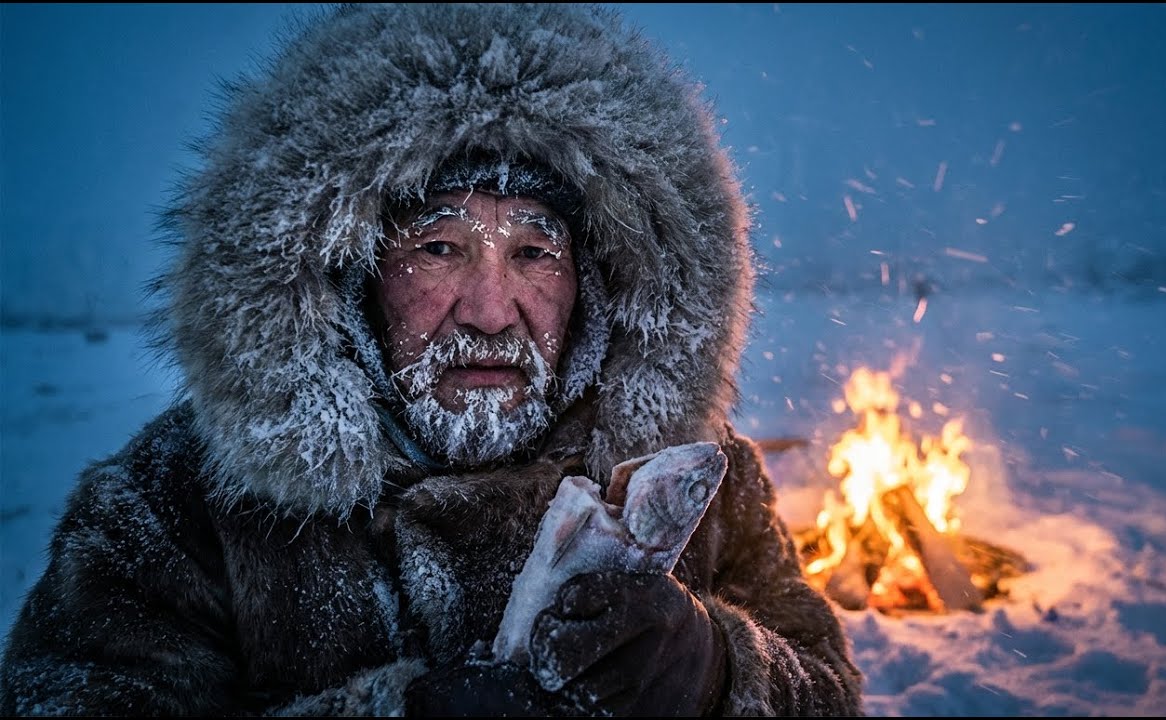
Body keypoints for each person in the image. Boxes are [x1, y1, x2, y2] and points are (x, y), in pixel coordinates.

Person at [0, 4, 864, 716]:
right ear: (354, 270)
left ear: (596, 279)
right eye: (441, 248)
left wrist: (714, 671)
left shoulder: (697, 486)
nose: (490, 314)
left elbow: (827, 690)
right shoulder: (177, 502)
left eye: (534, 254)